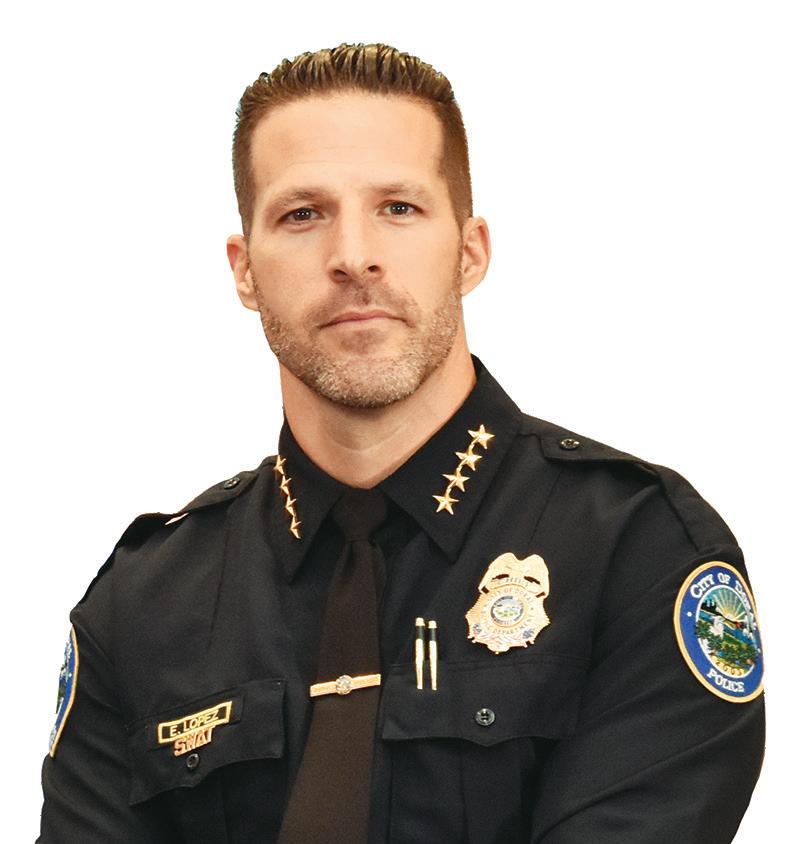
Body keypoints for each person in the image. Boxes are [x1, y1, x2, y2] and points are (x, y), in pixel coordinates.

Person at [38, 42, 765, 843]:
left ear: (470, 251)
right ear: (244, 271)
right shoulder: (143, 605)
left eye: (399, 208)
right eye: (302, 214)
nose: (354, 257)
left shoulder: (639, 550)